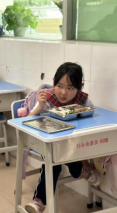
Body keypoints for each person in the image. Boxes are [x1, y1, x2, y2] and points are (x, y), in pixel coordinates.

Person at [25, 62, 101, 213]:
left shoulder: (83, 101)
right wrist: (39, 107)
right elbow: (26, 121)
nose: (63, 92)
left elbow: (89, 127)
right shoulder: (46, 99)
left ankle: (81, 169)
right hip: (46, 145)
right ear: (53, 81)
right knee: (53, 161)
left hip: (72, 146)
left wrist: (84, 158)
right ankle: (39, 202)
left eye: (70, 87)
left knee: (62, 156)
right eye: (59, 85)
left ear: (80, 87)